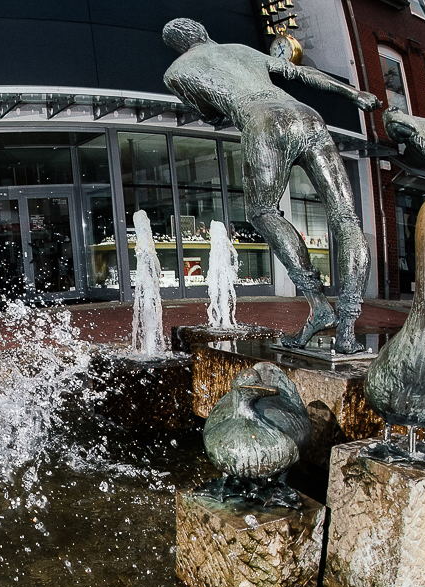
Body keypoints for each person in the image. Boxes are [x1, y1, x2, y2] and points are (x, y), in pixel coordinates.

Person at [161, 18, 380, 354]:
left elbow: (210, 113)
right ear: (203, 32)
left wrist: (219, 113)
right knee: (346, 219)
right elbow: (301, 73)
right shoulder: (240, 50)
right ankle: (347, 331)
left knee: (262, 212)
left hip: (262, 120)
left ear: (177, 45)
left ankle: (318, 305)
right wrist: (354, 94)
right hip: (306, 114)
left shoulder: (176, 72)